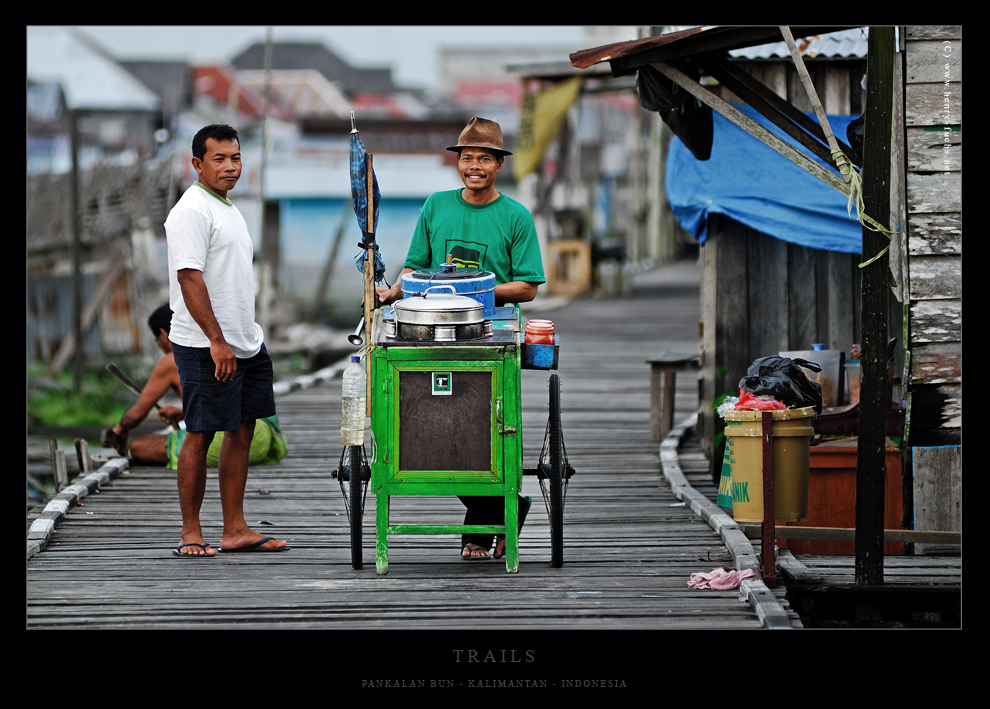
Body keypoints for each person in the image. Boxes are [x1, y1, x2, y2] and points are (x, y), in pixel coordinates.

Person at [377, 117, 544, 560]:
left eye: (484, 159)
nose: (475, 166)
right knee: (431, 425)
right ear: (458, 163)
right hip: (432, 328)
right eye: (467, 157)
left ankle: (480, 528)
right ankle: (505, 510)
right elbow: (414, 267)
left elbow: (527, 286)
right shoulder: (436, 206)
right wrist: (393, 291)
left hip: (492, 332)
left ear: (497, 165)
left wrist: (472, 289)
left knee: (485, 423)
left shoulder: (516, 216)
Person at [163, 123, 288, 557]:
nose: (230, 167)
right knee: (199, 432)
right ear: (197, 163)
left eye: (235, 158)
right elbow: (189, 277)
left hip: (246, 341)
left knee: (241, 427)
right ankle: (191, 533)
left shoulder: (228, 207)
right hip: (205, 344)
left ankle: (235, 528)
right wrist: (216, 340)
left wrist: (237, 339)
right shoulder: (191, 210)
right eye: (219, 159)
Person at [105, 305, 287, 471]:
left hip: (235, 438)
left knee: (139, 447)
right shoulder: (227, 344)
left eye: (156, 340)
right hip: (266, 438)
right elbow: (227, 400)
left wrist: (120, 430)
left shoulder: (173, 358)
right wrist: (184, 412)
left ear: (164, 334)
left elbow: (136, 415)